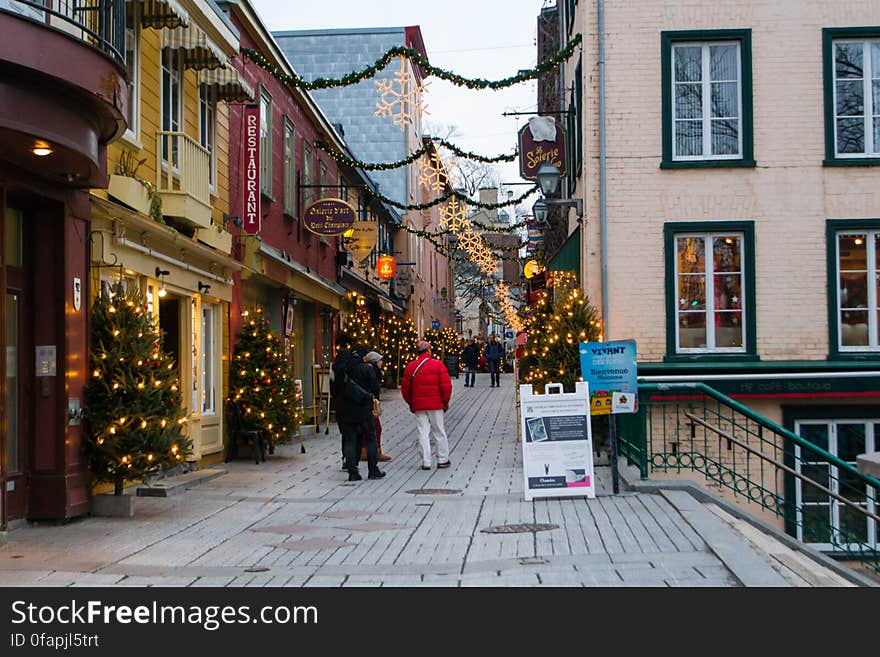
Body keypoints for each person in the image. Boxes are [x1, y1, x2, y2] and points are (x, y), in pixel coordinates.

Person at [337, 344, 385, 481]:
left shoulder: (344, 369)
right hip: (364, 408)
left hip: (347, 409)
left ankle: (353, 472)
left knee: (351, 440)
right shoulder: (366, 369)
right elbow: (375, 388)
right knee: (370, 438)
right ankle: (373, 470)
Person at [401, 341, 452, 470]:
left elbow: (405, 389)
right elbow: (446, 386)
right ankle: (442, 459)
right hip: (436, 404)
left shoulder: (411, 366)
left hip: (419, 405)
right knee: (439, 431)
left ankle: (426, 461)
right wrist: (445, 402)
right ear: (429, 351)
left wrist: (411, 403)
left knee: (422, 431)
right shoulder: (438, 365)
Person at [360, 351, 392, 462]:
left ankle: (365, 451)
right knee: (376, 427)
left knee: (371, 427)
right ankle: (375, 452)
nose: (381, 362)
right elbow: (373, 387)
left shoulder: (372, 370)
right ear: (375, 362)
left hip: (367, 402)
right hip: (369, 403)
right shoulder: (372, 371)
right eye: (380, 360)